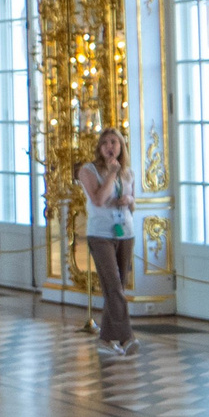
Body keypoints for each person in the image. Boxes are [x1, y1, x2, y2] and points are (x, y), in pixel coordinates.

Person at [79, 129, 137, 358]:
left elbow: (133, 203)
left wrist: (129, 199)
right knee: (113, 286)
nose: (109, 146)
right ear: (99, 148)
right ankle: (127, 337)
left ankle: (105, 339)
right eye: (104, 143)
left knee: (118, 289)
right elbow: (99, 199)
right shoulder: (88, 170)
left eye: (114, 142)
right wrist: (112, 174)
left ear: (122, 146)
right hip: (100, 233)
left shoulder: (128, 172)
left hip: (125, 231)